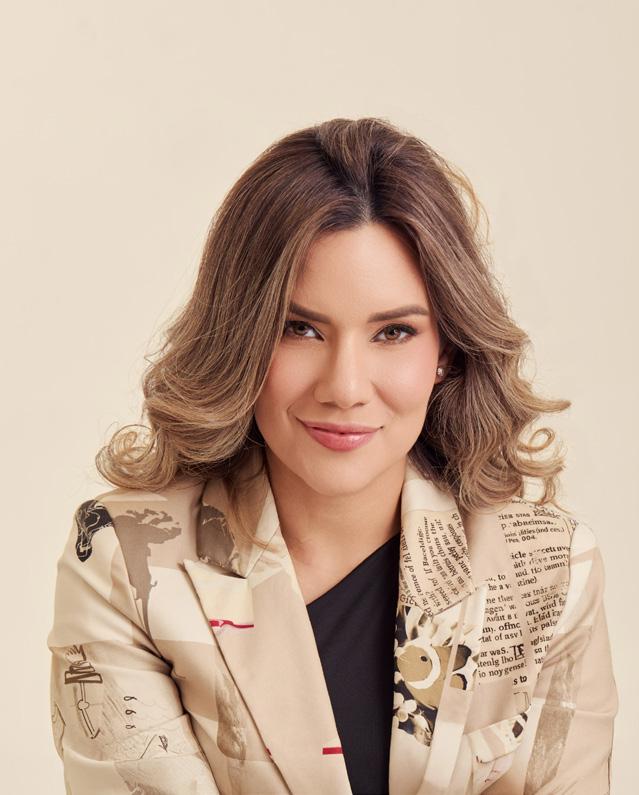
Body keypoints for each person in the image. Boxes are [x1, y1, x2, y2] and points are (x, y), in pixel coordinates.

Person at [47, 117, 618, 795]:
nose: (344, 388)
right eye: (300, 329)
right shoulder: (128, 559)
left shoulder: (549, 569)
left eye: (393, 332)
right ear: (241, 338)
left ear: (446, 350)